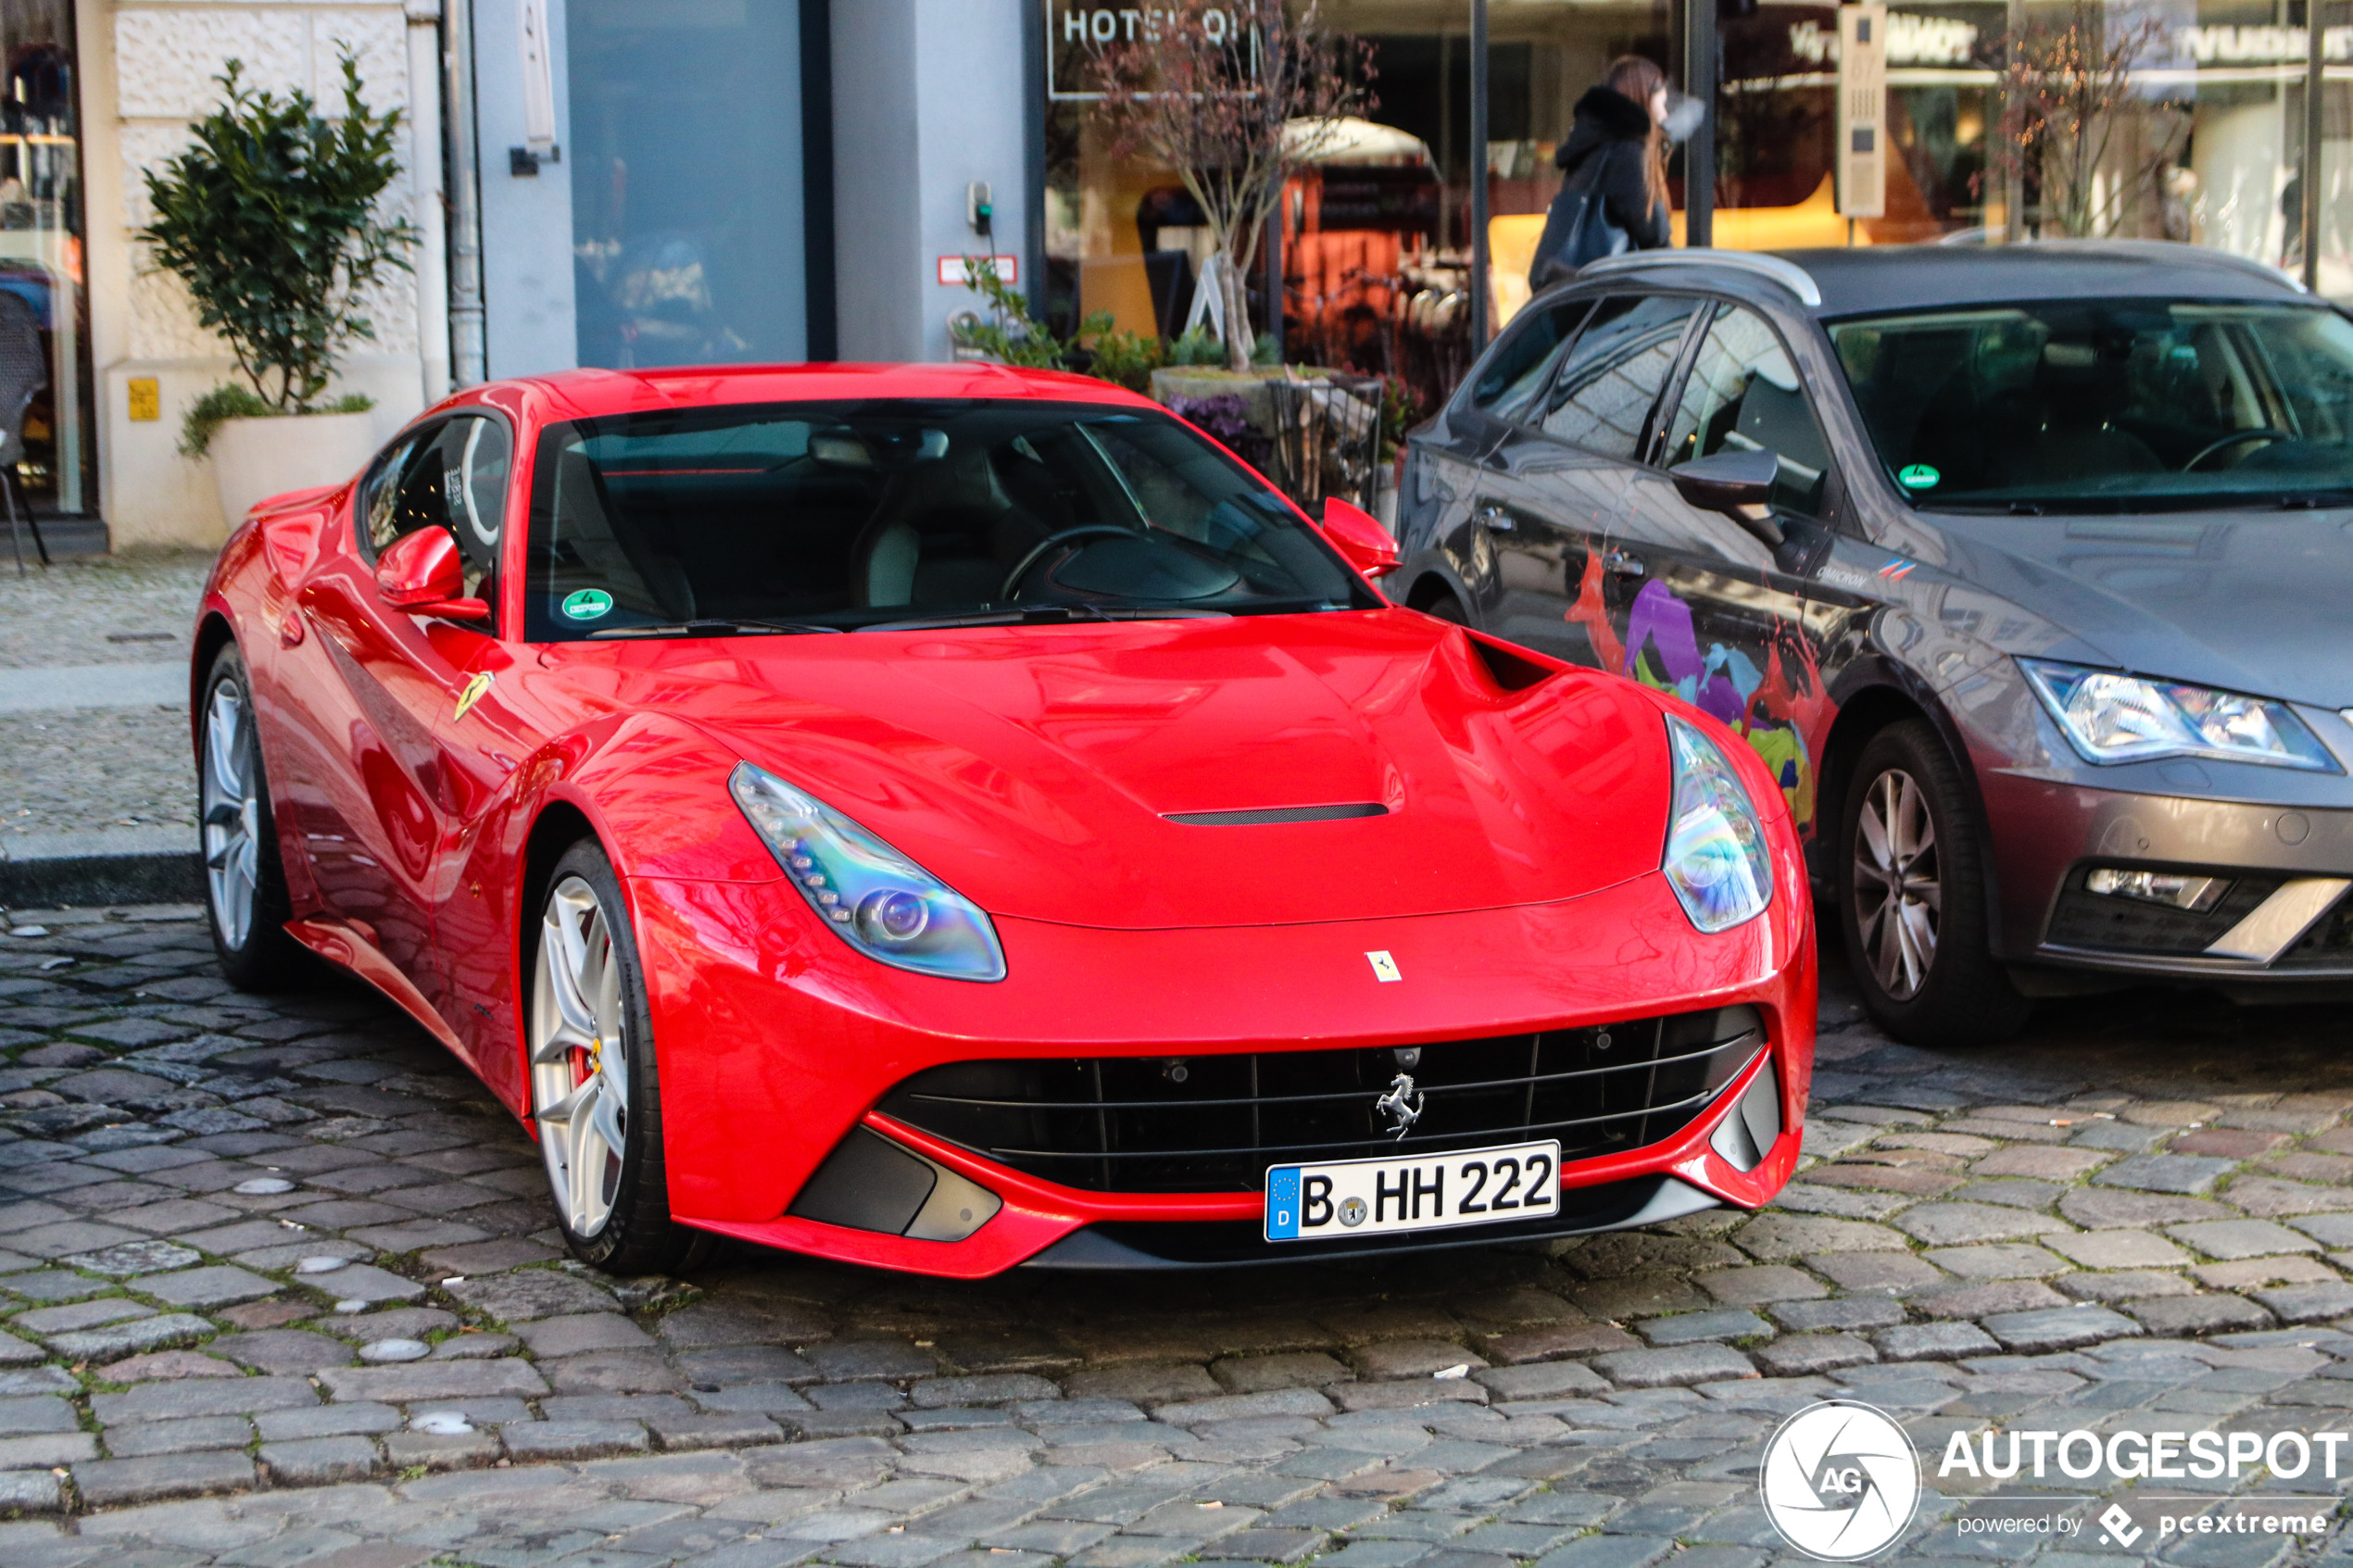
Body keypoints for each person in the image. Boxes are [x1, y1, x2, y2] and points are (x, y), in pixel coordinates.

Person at [1555, 56, 1674, 252]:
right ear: (1643, 101)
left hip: (1581, 276)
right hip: (1609, 279)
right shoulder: (1625, 153)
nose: (1665, 115)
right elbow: (1652, 234)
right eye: (1661, 104)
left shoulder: (1594, 146)